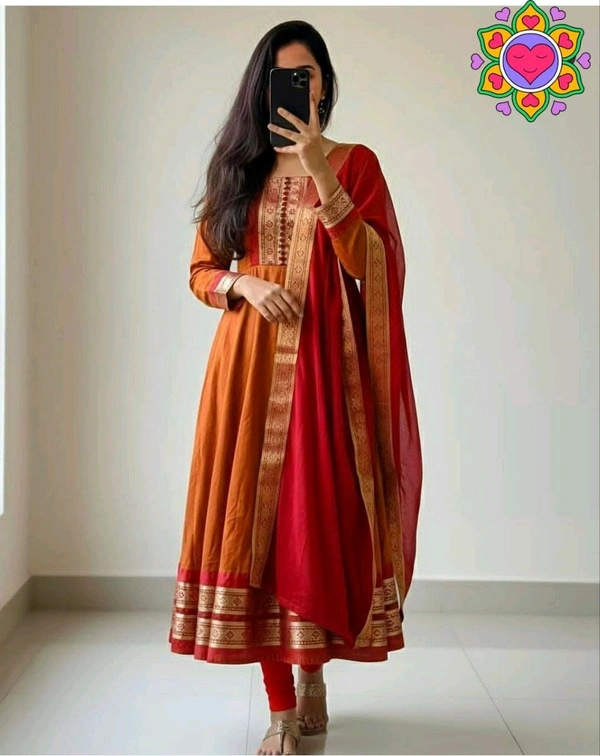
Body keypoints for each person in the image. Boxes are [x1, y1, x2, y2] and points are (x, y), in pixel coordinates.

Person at [168, 19, 423, 756]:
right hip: (246, 376)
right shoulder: (238, 168)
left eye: (308, 75)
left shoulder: (355, 163)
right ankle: (281, 705)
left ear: (324, 85)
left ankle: (313, 673)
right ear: (262, 88)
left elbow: (373, 267)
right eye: (285, 76)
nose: (299, 87)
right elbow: (201, 270)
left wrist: (320, 170)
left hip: (328, 374)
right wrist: (243, 283)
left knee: (314, 524)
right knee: (253, 532)